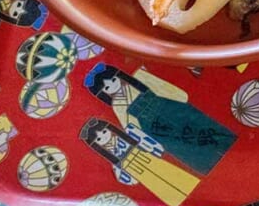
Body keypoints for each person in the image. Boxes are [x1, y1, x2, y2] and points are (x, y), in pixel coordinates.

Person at [84, 64, 236, 175]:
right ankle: (212, 166)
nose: (112, 85)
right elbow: (129, 124)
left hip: (171, 108)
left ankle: (231, 145)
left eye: (112, 80)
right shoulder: (117, 106)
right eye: (106, 88)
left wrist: (180, 97)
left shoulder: (139, 77)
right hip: (154, 127)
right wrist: (144, 140)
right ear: (104, 94)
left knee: (202, 127)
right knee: (186, 148)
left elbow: (162, 87)